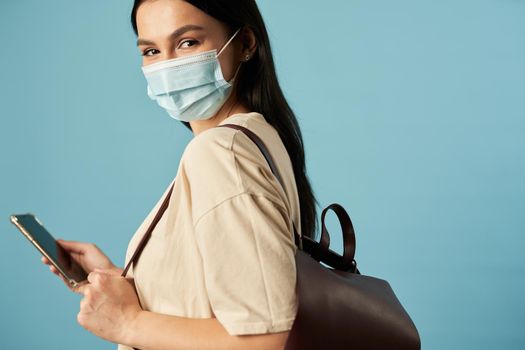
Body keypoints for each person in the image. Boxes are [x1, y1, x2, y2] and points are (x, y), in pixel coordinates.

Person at [41, 0, 318, 349]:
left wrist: (127, 323)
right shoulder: (255, 139)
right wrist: (129, 282)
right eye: (152, 50)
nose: (168, 66)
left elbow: (262, 341)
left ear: (246, 43)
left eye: (188, 42)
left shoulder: (220, 153)